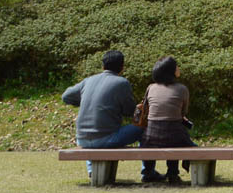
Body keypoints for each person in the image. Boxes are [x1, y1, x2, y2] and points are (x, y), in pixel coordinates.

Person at [61, 49, 143, 178]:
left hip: (81, 139)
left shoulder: (89, 80)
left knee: (96, 135)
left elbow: (65, 96)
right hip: (106, 139)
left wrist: (85, 102)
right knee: (143, 128)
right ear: (122, 67)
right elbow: (130, 112)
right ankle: (147, 172)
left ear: (103, 65)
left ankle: (92, 170)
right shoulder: (122, 83)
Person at [139, 55, 196, 184]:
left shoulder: (151, 88)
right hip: (174, 135)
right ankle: (172, 173)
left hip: (151, 135)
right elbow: (183, 113)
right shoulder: (182, 89)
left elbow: (147, 109)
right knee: (177, 137)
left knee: (147, 139)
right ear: (171, 71)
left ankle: (148, 172)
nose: (178, 68)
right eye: (176, 66)